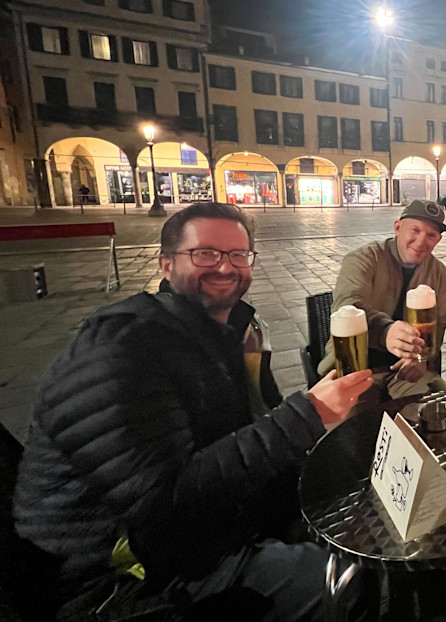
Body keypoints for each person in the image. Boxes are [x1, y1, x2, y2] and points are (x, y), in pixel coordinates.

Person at [13, 203, 374, 621]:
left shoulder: (231, 332)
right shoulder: (120, 349)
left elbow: (249, 437)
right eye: (205, 253)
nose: (225, 266)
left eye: (238, 254)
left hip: (205, 527)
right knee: (344, 580)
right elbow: (164, 508)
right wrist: (305, 416)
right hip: (117, 577)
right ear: (166, 264)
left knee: (357, 513)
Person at [317, 199, 446, 402]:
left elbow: (439, 325)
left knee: (445, 410)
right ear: (398, 227)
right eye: (415, 230)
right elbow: (347, 303)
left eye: (431, 235)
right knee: (359, 419)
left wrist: (423, 358)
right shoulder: (364, 259)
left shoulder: (441, 275)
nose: (421, 241)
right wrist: (385, 331)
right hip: (354, 369)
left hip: (407, 373)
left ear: (438, 240)